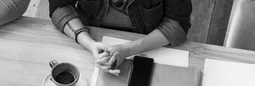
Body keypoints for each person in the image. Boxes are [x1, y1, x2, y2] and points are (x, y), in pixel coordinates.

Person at [48, 0, 191, 75]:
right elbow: (60, 6)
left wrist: (127, 49)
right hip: (89, 40)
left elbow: (177, 23)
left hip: (149, 44)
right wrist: (90, 44)